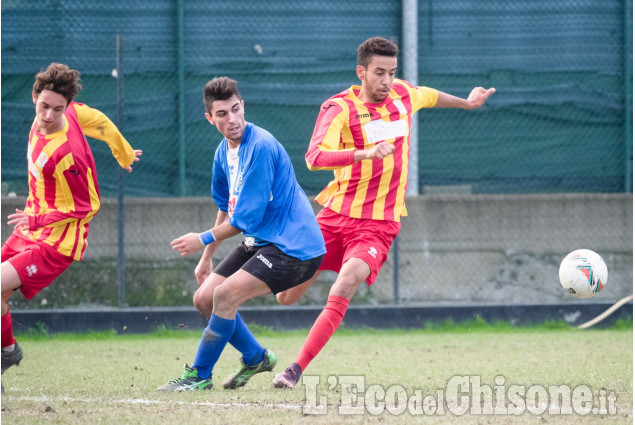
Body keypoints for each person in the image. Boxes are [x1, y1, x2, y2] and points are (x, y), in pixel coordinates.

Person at [272, 36, 495, 389]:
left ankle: (295, 369)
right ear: (361, 72)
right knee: (286, 297)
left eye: (392, 72)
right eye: (379, 73)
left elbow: (430, 95)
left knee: (347, 281)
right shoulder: (338, 108)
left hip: (378, 224)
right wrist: (364, 153)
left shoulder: (403, 95)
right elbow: (315, 158)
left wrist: (467, 103)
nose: (387, 81)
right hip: (334, 216)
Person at [156, 77, 325, 392]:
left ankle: (199, 375)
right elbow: (227, 207)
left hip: (294, 248)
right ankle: (255, 357)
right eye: (222, 114)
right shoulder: (223, 152)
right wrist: (207, 258)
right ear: (210, 118)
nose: (232, 119)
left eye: (235, 110)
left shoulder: (260, 147)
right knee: (204, 298)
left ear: (243, 105)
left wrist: (202, 239)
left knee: (224, 295)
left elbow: (245, 218)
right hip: (263, 241)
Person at [1, 63, 142, 386]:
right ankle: (6, 350)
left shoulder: (70, 156)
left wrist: (36, 218)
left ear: (66, 106)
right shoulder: (69, 113)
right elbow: (103, 123)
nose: (49, 115)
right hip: (28, 232)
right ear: (34, 96)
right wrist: (123, 153)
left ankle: (8, 350)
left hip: (55, 244)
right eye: (44, 106)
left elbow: (87, 206)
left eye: (57, 109)